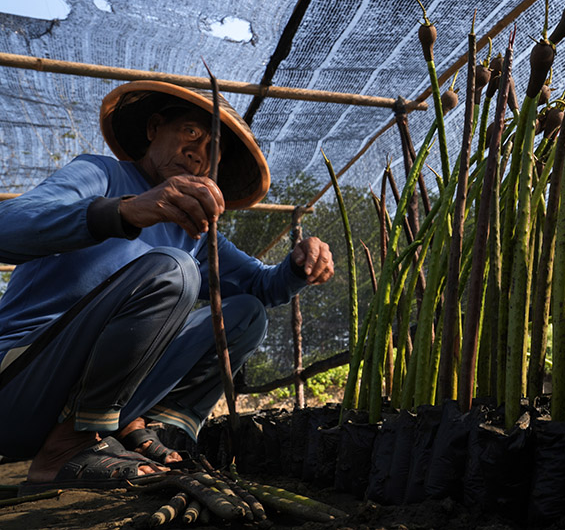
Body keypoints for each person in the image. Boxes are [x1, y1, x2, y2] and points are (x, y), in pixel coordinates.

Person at [0, 80, 335, 491]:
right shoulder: (101, 174)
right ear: (153, 128)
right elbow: (8, 225)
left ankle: (150, 428)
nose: (199, 153)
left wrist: (300, 265)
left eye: (214, 150)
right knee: (174, 270)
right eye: (191, 132)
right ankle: (65, 450)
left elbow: (260, 286)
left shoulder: (193, 231)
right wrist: (127, 212)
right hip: (19, 384)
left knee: (246, 314)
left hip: (94, 403)